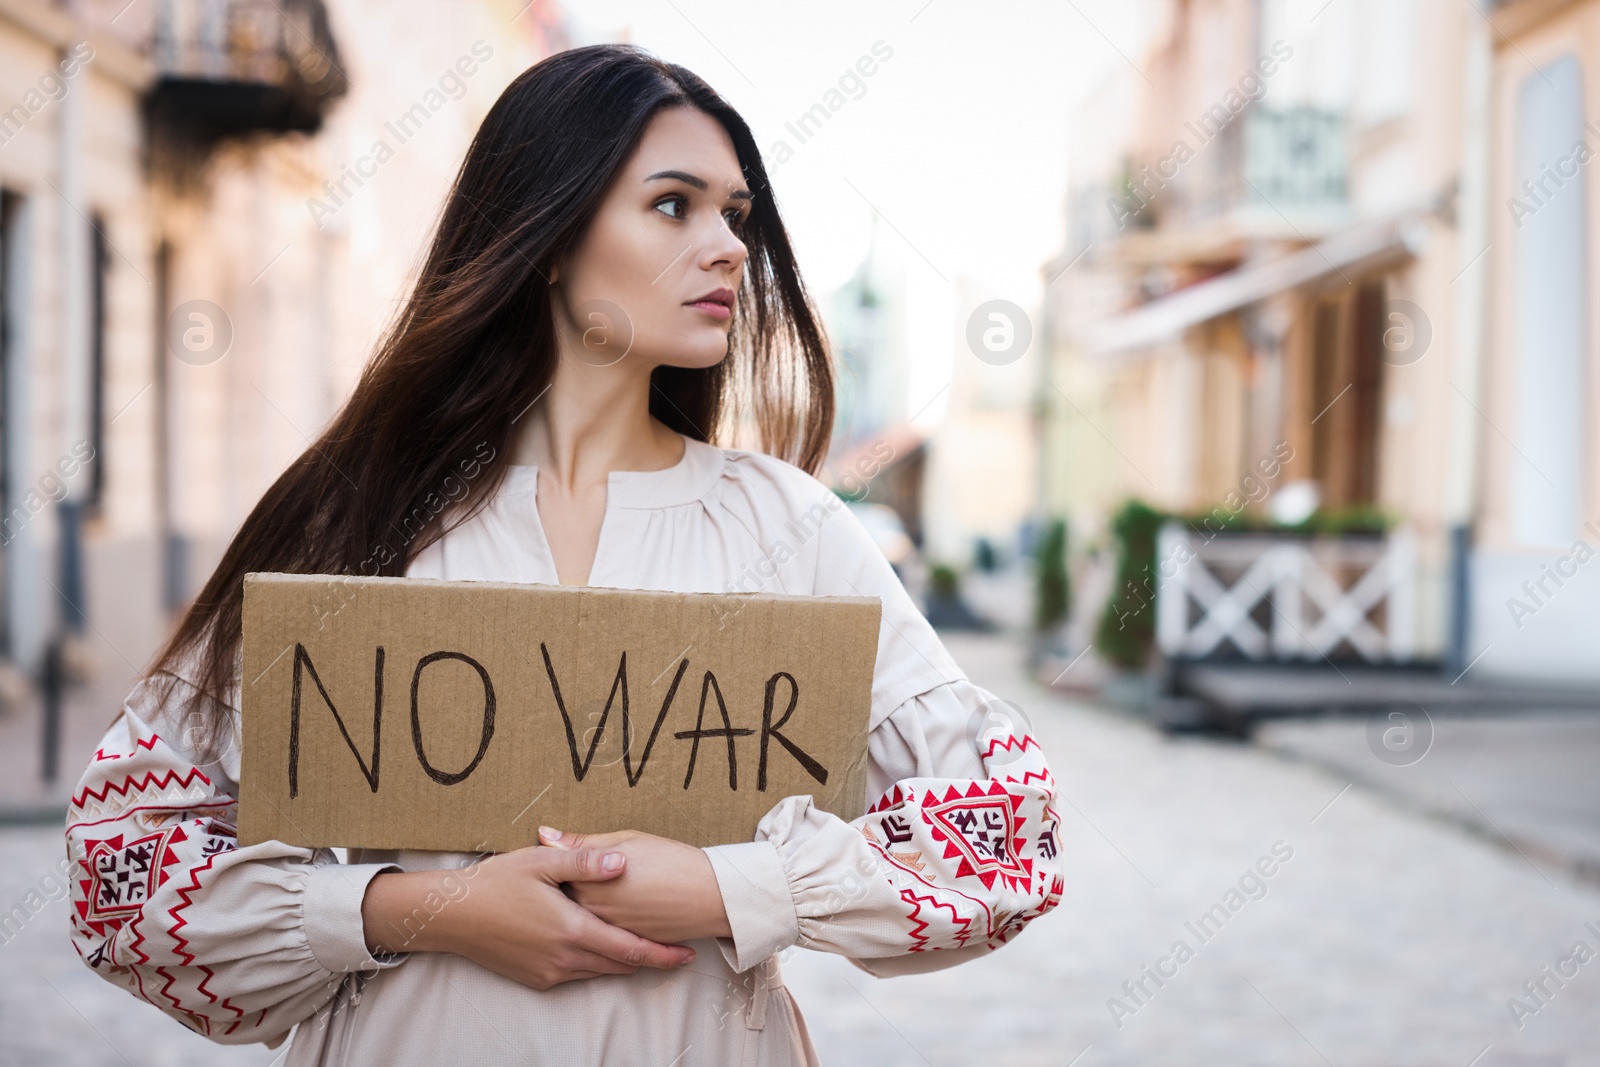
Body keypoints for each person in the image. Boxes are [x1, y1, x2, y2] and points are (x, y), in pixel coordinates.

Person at [65, 44, 1063, 1065]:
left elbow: (1003, 839)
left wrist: (727, 887)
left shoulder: (790, 527)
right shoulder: (359, 516)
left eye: (735, 214)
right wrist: (429, 906)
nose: (725, 247)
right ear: (544, 235)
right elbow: (122, 870)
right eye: (673, 205)